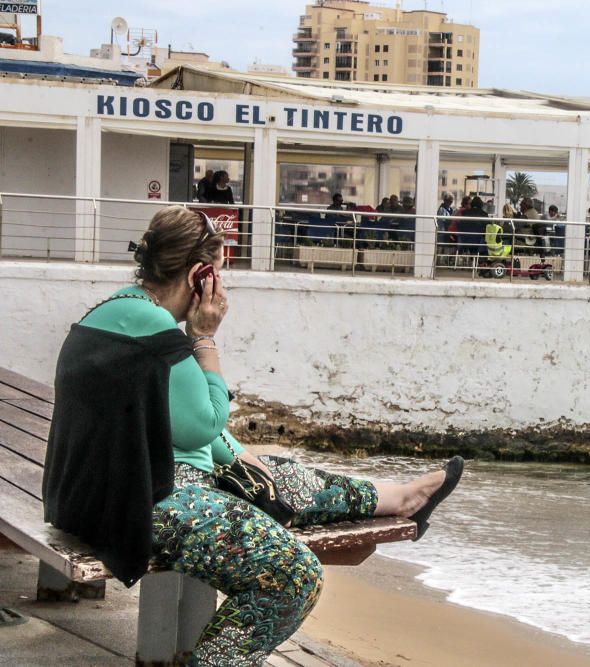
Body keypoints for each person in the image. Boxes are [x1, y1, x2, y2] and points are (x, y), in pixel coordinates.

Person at [42, 206, 464, 666]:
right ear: (200, 275)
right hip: (140, 502)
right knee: (295, 576)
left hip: (88, 493)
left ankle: (401, 500)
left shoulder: (113, 311)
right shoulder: (160, 333)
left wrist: (235, 453)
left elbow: (180, 422)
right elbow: (206, 421)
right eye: (219, 273)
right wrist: (204, 338)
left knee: (273, 475)